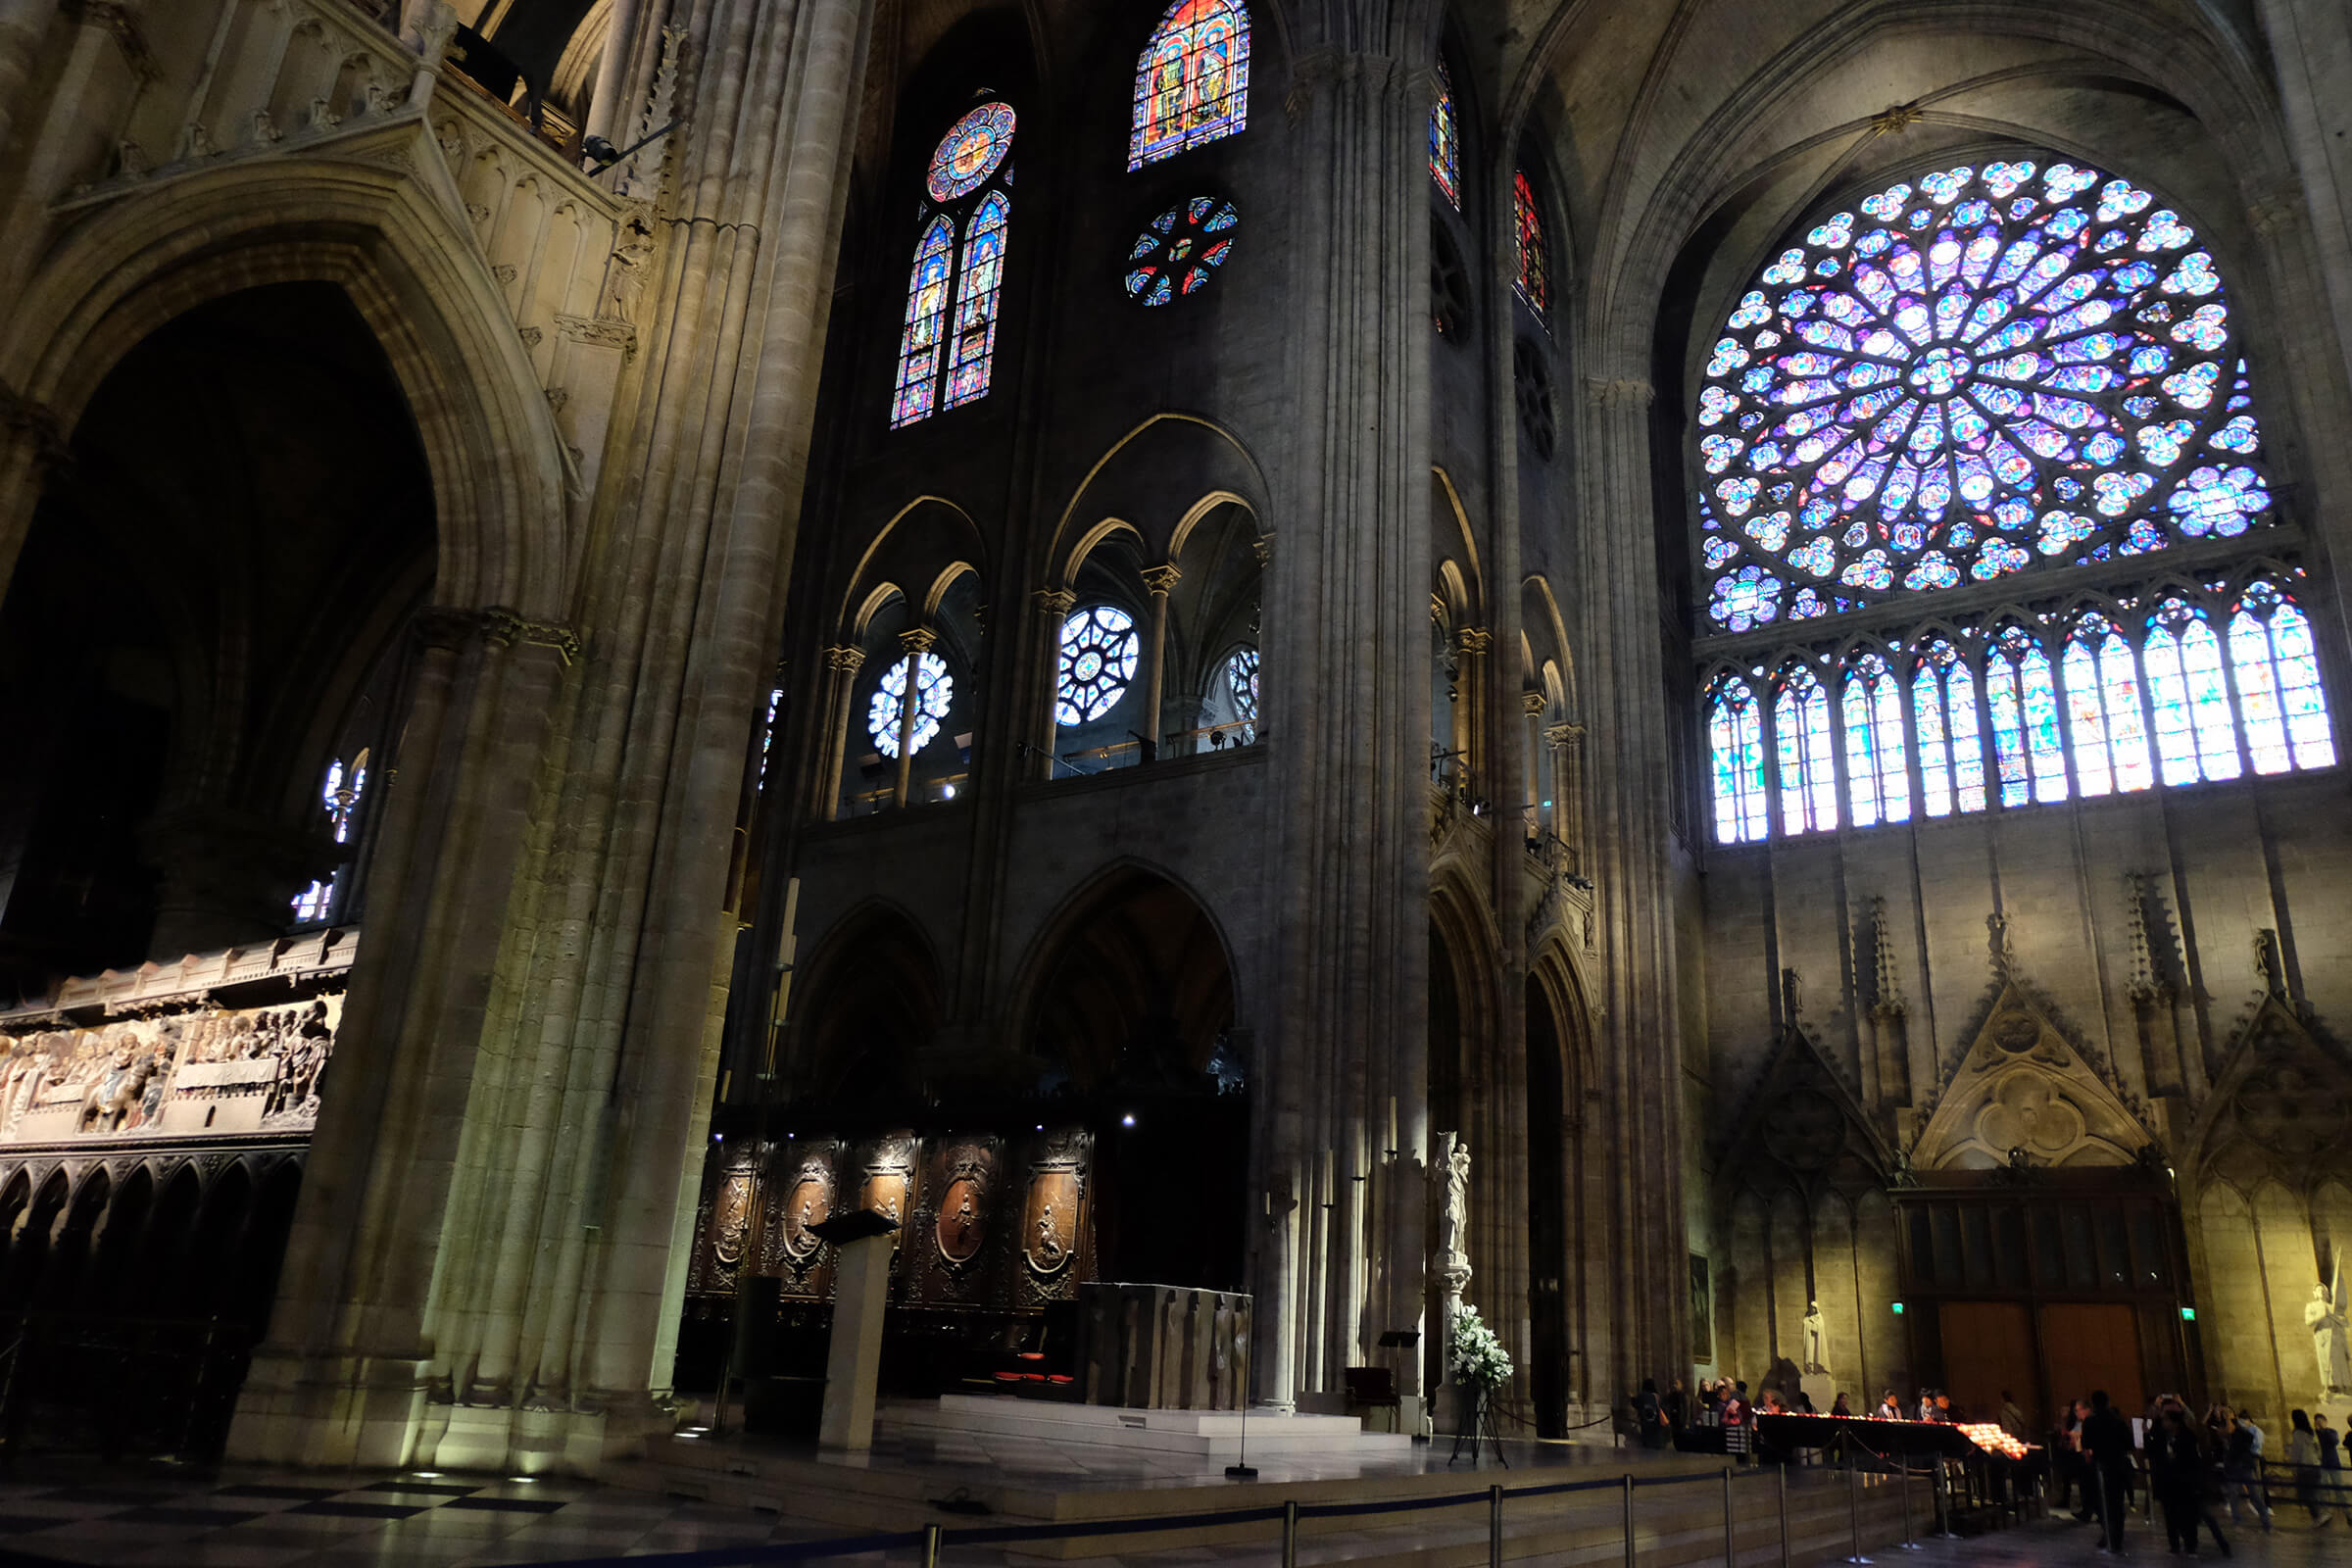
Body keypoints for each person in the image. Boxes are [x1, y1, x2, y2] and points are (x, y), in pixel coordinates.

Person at [2082, 1389, 2134, 1554]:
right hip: (2117, 1465)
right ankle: (2116, 1538)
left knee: (2101, 1503)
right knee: (2116, 1504)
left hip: (2100, 1466)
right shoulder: (2117, 1420)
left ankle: (2108, 1534)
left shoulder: (2090, 1421)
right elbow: (2128, 1444)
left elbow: (2086, 1443)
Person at [2222, 1408, 2271, 1530]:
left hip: (2244, 1466)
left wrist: (2229, 1419)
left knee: (2254, 1494)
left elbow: (2232, 1432)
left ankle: (2266, 1523)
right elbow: (2226, 1432)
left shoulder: (2243, 1433)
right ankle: (2237, 1522)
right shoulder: (2233, 1433)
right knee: (2233, 1495)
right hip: (2234, 1467)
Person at [2288, 1409, 2321, 1523]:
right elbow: (2318, 1449)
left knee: (2305, 1494)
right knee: (2314, 1493)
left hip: (2305, 1468)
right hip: (2315, 1466)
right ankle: (2319, 1515)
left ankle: (2317, 1517)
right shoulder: (2311, 1431)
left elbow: (2296, 1452)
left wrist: (2293, 1468)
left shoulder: (2297, 1434)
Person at [2316, 1410, 2346, 1527]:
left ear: (2325, 1422)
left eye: (2321, 1421)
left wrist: (2324, 1430)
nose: (2319, 1424)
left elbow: (2335, 1441)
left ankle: (2345, 1510)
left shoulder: (2331, 1432)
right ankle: (2327, 1511)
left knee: (2338, 1486)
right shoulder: (2315, 1434)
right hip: (2322, 1464)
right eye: (2317, 1422)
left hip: (2333, 1463)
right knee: (2324, 1488)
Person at [1637, 1377, 1669, 1449]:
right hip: (1657, 1425)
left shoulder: (1643, 1395)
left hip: (1647, 1425)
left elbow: (1636, 1403)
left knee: (1648, 1449)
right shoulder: (1656, 1395)